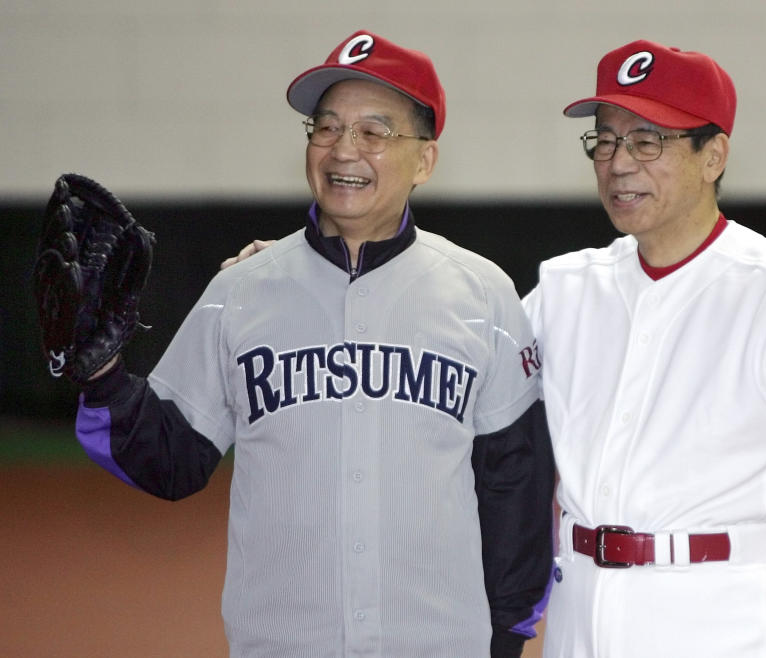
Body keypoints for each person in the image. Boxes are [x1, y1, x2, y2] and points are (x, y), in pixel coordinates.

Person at [73, 30, 554, 658]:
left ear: (425, 161)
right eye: (325, 128)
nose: (343, 149)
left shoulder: (483, 294)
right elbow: (171, 458)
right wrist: (102, 371)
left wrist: (507, 635)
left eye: (374, 133)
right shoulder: (241, 291)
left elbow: (514, 481)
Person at [520, 39, 766, 657]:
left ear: (714, 156)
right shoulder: (562, 288)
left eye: (648, 140)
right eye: (605, 140)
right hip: (579, 607)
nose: (619, 163)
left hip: (716, 613)